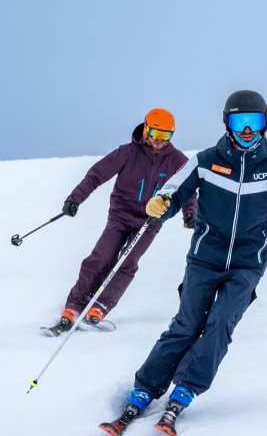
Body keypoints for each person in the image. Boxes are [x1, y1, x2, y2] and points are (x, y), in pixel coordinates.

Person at [101, 90, 267, 436]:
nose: (247, 130)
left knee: (221, 323)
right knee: (186, 325)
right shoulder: (206, 161)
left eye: (254, 122)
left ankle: (185, 390)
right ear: (228, 123)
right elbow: (174, 192)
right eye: (240, 122)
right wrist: (161, 204)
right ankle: (144, 391)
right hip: (204, 259)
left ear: (264, 124)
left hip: (247, 265)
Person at [51, 108, 197, 333]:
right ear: (146, 130)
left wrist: (189, 212)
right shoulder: (127, 153)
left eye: (166, 136)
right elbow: (96, 175)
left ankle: (100, 306)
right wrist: (74, 199)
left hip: (150, 221)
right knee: (101, 258)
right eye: (156, 134)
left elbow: (187, 190)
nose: (160, 141)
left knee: (127, 262)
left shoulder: (177, 161)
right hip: (120, 215)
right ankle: (75, 304)